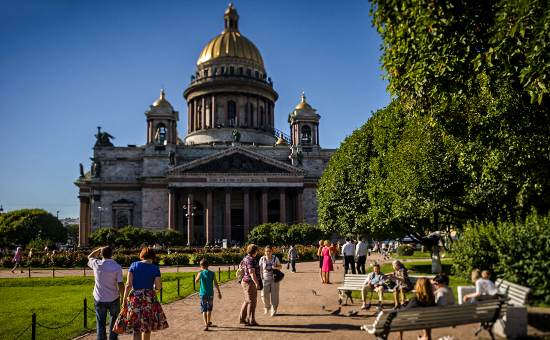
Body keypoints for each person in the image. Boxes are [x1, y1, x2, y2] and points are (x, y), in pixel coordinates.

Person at [119, 247, 168, 339]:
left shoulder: (134, 265)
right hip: (149, 297)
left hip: (135, 297)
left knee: (136, 326)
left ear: (142, 255)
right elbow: (158, 287)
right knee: (146, 326)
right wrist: (151, 286)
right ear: (153, 256)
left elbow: (128, 284)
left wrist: (124, 298)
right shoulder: (155, 268)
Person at [88, 246, 124, 340]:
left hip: (99, 297)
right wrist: (124, 297)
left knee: (100, 323)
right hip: (113, 297)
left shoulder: (96, 263)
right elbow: (120, 284)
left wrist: (99, 249)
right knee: (114, 322)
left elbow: (90, 256)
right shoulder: (117, 267)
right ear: (112, 255)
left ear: (101, 255)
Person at [194, 258, 221, 331]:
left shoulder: (201, 273)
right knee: (209, 308)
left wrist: (198, 274)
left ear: (201, 266)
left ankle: (206, 324)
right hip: (210, 293)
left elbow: (196, 281)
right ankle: (209, 322)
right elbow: (216, 283)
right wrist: (219, 292)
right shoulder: (212, 273)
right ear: (208, 265)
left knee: (204, 309)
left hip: (203, 293)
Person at [240, 244, 261, 326]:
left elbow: (240, 265)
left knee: (246, 300)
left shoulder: (245, 257)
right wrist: (256, 283)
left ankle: (242, 318)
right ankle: (251, 321)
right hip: (250, 282)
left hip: (244, 281)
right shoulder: (252, 259)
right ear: (255, 251)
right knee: (252, 302)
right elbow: (251, 272)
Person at [259, 245, 282, 316]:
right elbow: (260, 269)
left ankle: (273, 310)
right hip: (265, 279)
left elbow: (280, 266)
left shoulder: (275, 258)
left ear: (272, 252)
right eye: (267, 251)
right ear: (264, 252)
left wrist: (275, 267)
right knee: (264, 295)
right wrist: (259, 278)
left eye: (269, 251)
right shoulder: (262, 259)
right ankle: (267, 307)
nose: (268, 253)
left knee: (274, 296)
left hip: (274, 280)